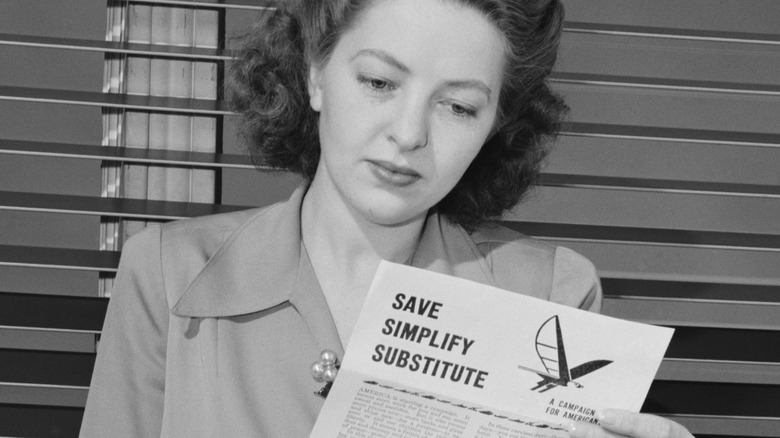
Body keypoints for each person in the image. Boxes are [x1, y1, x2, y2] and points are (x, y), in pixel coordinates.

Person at [80, 0, 694, 437]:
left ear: (496, 124)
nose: (408, 134)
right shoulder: (167, 275)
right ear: (315, 72)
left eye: (457, 106)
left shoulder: (549, 297)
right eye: (378, 81)